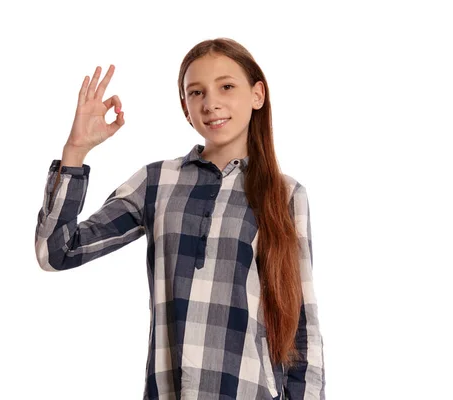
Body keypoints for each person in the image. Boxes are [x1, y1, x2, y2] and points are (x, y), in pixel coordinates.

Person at [35, 37, 325, 400]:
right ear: (185, 108)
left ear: (257, 95)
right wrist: (75, 151)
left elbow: (301, 330)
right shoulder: (157, 182)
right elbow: (56, 252)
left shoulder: (285, 195)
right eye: (196, 92)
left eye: (226, 86)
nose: (211, 102)